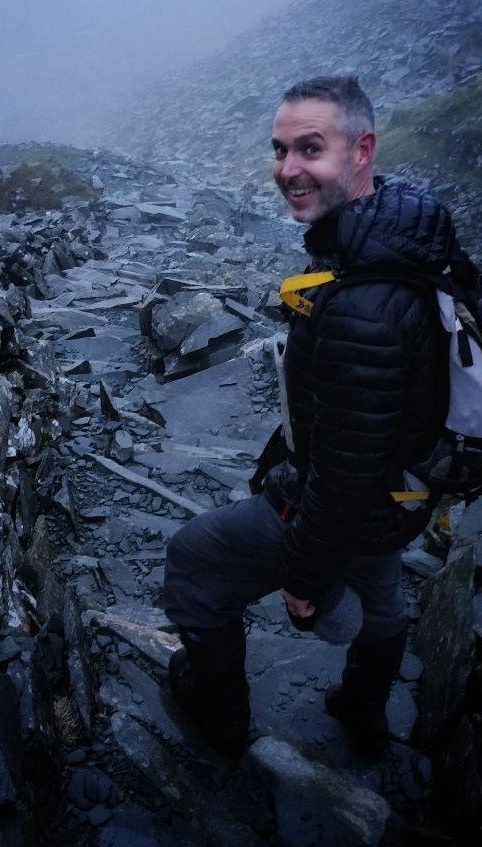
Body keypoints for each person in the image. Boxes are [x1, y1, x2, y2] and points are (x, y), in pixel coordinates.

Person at [163, 75, 451, 757]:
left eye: (310, 148)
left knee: (194, 560)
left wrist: (302, 578)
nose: (287, 169)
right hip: (403, 490)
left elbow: (343, 478)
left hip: (355, 502)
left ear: (363, 151)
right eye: (280, 149)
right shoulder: (408, 228)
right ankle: (362, 708)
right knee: (381, 589)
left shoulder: (364, 307)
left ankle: (221, 716)